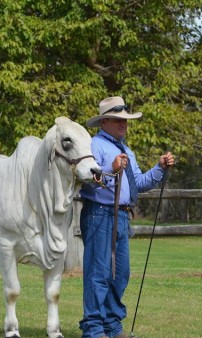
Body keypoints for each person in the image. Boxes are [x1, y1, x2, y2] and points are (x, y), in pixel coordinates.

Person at [79, 96, 175, 338]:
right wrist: (111, 169)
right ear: (104, 122)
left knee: (120, 274)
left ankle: (111, 326)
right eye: (117, 120)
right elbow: (87, 181)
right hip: (100, 214)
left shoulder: (127, 150)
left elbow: (139, 183)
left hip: (121, 217)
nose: (124, 124)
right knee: (99, 273)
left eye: (125, 120)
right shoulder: (94, 146)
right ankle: (93, 328)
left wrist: (159, 167)